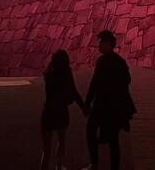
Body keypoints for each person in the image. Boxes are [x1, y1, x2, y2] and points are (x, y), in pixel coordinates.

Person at [82, 30, 136, 170]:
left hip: (102, 106)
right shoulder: (120, 61)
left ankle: (94, 163)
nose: (98, 46)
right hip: (115, 108)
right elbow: (127, 81)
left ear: (108, 44)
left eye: (100, 43)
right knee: (113, 141)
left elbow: (94, 83)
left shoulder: (102, 61)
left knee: (91, 131)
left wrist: (87, 103)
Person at [40, 49, 84, 170]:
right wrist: (83, 107)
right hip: (61, 111)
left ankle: (44, 167)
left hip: (48, 111)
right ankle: (59, 166)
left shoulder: (48, 73)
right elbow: (73, 91)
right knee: (61, 140)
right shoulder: (65, 73)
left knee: (46, 148)